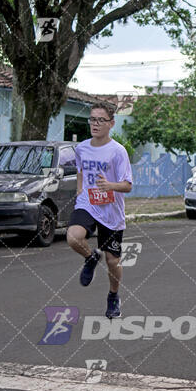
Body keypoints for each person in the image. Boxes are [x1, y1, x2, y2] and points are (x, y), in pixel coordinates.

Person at [67, 102, 133, 318]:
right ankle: (90, 257)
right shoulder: (82, 148)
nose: (95, 124)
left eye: (100, 120)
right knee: (73, 237)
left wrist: (110, 186)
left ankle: (113, 296)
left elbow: (128, 185)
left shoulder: (118, 152)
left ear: (111, 123)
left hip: (111, 210)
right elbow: (80, 171)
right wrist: (80, 191)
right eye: (92, 119)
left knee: (113, 260)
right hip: (87, 203)